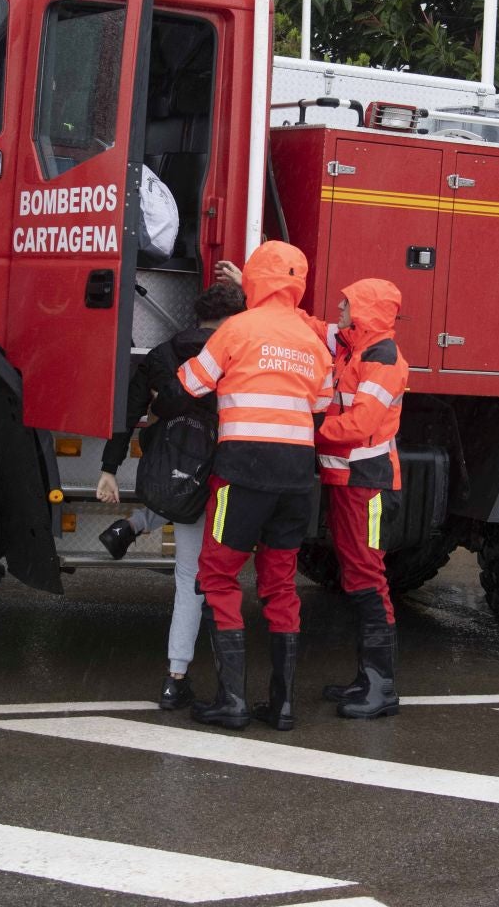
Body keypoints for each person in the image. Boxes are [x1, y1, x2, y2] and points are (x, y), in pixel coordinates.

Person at [177, 242, 333, 731]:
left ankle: (232, 702)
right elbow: (323, 401)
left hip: (243, 469)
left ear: (256, 279)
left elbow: (192, 383)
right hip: (296, 475)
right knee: (280, 583)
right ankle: (282, 705)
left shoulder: (238, 327)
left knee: (219, 575)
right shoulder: (312, 339)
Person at [92, 280, 247, 711]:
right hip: (218, 474)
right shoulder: (237, 354)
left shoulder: (162, 355)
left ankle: (174, 680)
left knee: (186, 579)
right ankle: (182, 678)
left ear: (196, 315)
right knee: (195, 582)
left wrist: (108, 468)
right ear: (232, 320)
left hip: (172, 471)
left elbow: (129, 410)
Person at [314, 279, 410, 719]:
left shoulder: (383, 357)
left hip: (366, 485)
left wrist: (307, 432)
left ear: (366, 310)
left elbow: (360, 423)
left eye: (346, 302)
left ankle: (381, 688)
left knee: (369, 580)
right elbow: (310, 326)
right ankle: (367, 680)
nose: (339, 306)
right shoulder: (355, 348)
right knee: (357, 578)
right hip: (351, 484)